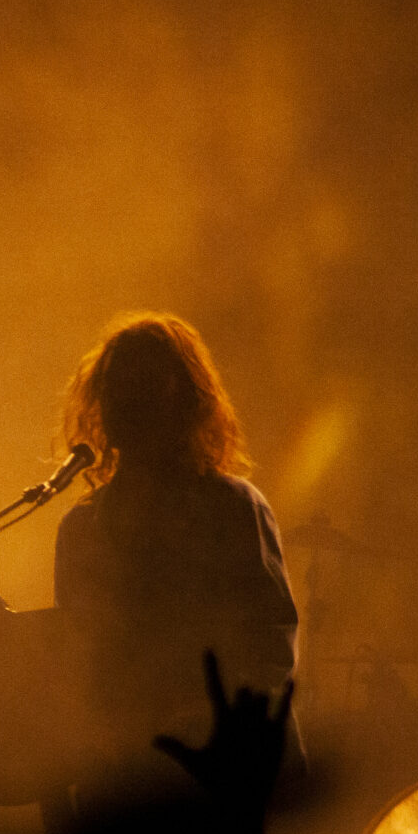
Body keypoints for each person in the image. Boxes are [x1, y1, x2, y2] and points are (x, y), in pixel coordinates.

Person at [52, 313, 299, 797]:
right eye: (117, 386)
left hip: (227, 777)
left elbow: (270, 647)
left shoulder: (233, 509)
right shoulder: (82, 528)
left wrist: (203, 723)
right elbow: (77, 657)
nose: (126, 401)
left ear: (183, 401)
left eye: (144, 386)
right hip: (127, 782)